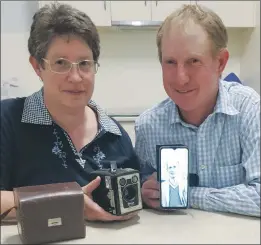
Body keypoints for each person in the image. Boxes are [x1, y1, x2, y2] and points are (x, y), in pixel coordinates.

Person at [0, 2, 140, 222]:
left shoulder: (115, 134)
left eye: (84, 63)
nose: (75, 77)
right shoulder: (7, 120)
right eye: (61, 63)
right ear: (37, 66)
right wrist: (66, 203)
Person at [135, 4, 260, 217]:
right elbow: (143, 196)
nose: (180, 78)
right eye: (170, 62)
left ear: (220, 62)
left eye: (194, 61)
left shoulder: (249, 110)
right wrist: (145, 195)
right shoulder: (148, 126)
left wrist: (186, 195)